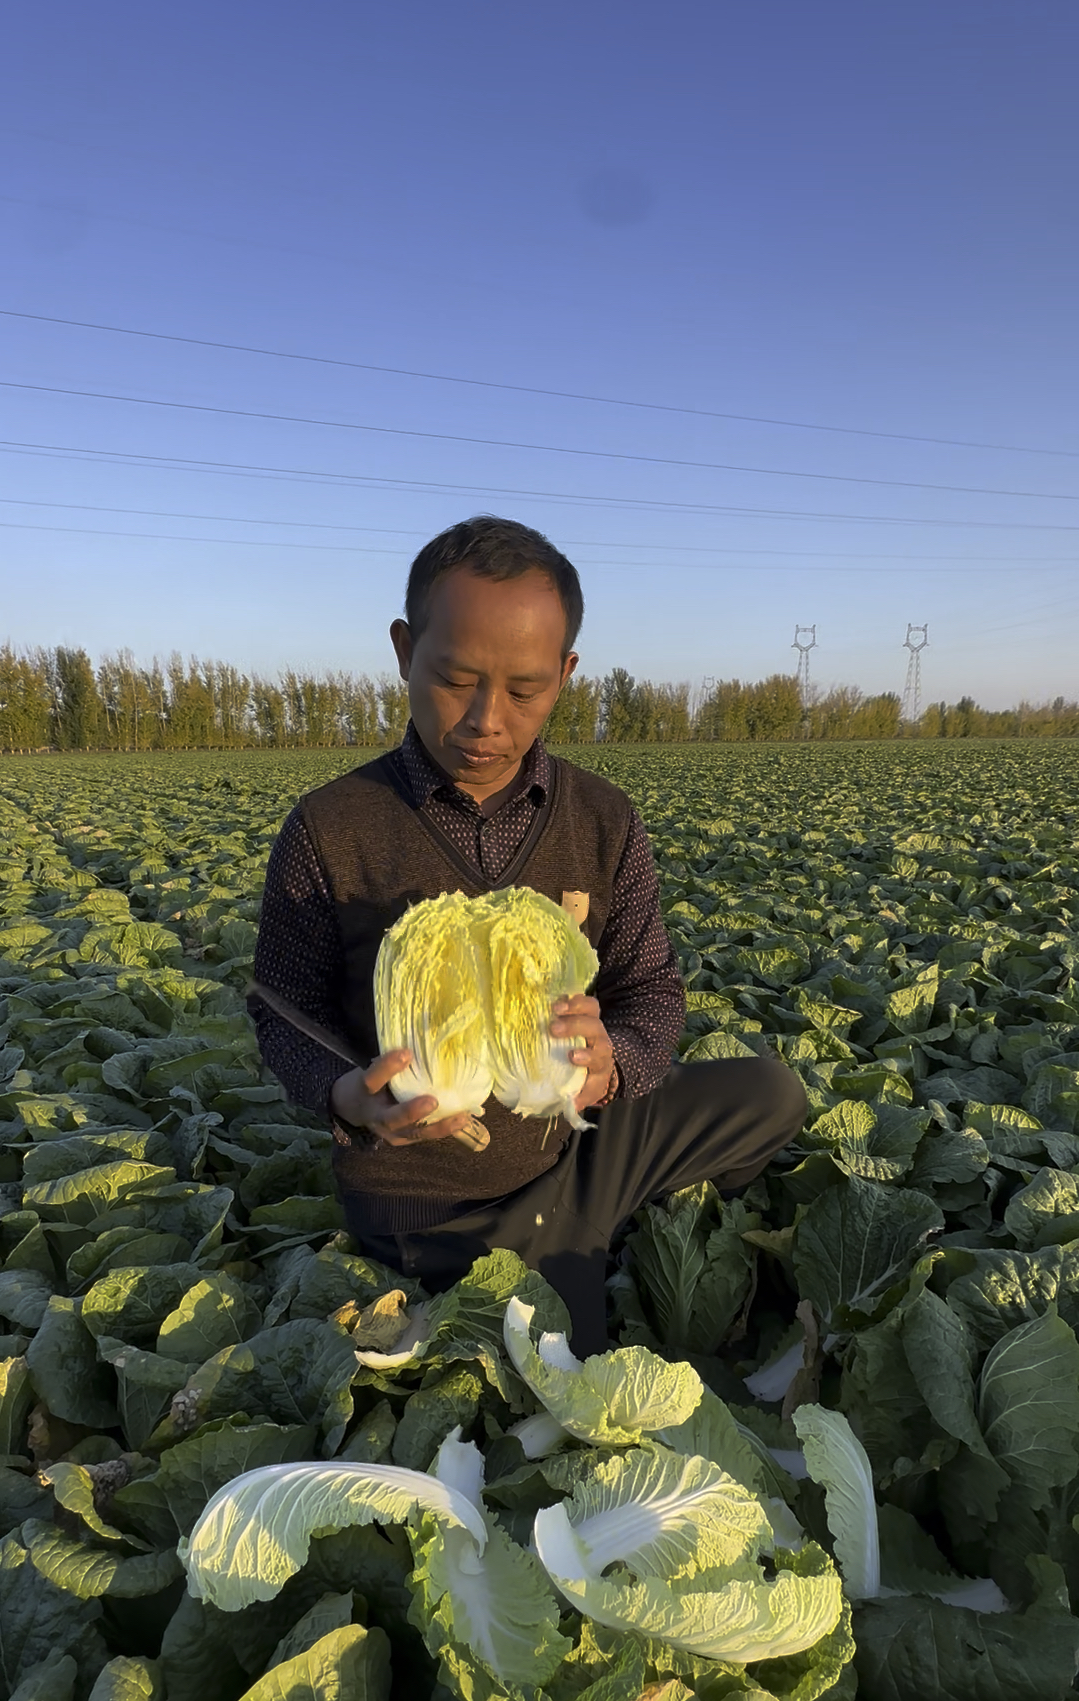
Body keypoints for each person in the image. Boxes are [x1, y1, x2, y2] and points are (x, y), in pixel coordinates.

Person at [249, 515, 806, 1354]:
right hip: (435, 1200)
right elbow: (279, 1007)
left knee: (772, 1095)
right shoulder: (330, 827)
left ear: (566, 674)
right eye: (454, 678)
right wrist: (347, 1099)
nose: (486, 719)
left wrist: (617, 1061)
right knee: (558, 1367)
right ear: (404, 651)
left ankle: (601, 1206)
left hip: (578, 1140)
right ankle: (575, 1237)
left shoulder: (604, 817)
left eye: (524, 690)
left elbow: (651, 988)